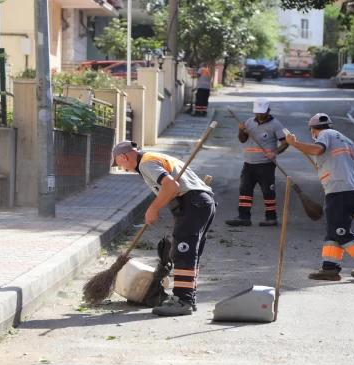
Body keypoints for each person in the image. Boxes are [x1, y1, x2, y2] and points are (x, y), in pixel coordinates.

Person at [112, 141, 216, 316]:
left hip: (193, 204)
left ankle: (183, 301)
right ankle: (187, 298)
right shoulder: (153, 158)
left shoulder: (146, 162)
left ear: (123, 156)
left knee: (183, 252)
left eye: (119, 164)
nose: (123, 169)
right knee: (189, 253)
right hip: (200, 204)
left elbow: (171, 186)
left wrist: (153, 208)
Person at [284, 113, 354, 280]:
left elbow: (317, 149)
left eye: (312, 131)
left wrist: (294, 143)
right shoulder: (347, 140)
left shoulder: (324, 135)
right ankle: (330, 268)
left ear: (313, 130)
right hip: (351, 190)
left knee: (340, 231)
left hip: (339, 191)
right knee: (333, 230)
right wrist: (349, 180)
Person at [226, 98, 288, 227]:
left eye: (262, 112)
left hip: (266, 164)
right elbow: (242, 140)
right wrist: (241, 130)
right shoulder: (249, 122)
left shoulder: (276, 124)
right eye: (257, 112)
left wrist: (275, 153)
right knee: (244, 190)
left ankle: (271, 218)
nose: (259, 115)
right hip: (249, 163)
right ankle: (243, 217)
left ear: (268, 110)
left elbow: (285, 142)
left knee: (268, 191)